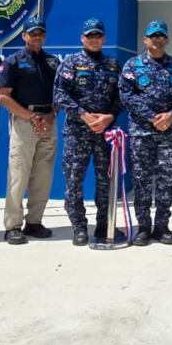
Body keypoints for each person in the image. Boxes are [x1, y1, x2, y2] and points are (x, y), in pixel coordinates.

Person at [54, 18, 122, 246]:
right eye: (89, 36)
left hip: (105, 131)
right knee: (74, 181)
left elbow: (120, 98)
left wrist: (109, 117)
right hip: (77, 132)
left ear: (104, 38)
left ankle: (104, 224)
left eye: (98, 35)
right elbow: (61, 94)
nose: (94, 39)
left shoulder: (113, 65)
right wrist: (83, 114)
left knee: (106, 180)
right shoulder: (71, 63)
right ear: (83, 38)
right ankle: (79, 227)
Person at [119, 20, 172, 246]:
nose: (157, 39)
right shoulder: (132, 65)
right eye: (152, 35)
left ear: (166, 40)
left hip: (169, 134)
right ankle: (144, 227)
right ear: (145, 39)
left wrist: (171, 115)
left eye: (161, 35)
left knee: (167, 181)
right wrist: (151, 116)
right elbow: (126, 95)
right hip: (141, 134)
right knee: (142, 181)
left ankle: (162, 226)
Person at [0, 16, 58, 245]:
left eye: (40, 32)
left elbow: (61, 95)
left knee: (43, 174)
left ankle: (34, 222)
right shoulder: (13, 61)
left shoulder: (53, 62)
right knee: (18, 174)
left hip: (48, 121)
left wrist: (51, 115)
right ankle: (13, 225)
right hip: (24, 121)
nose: (37, 36)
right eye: (32, 33)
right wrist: (32, 117)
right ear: (24, 36)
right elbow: (3, 97)